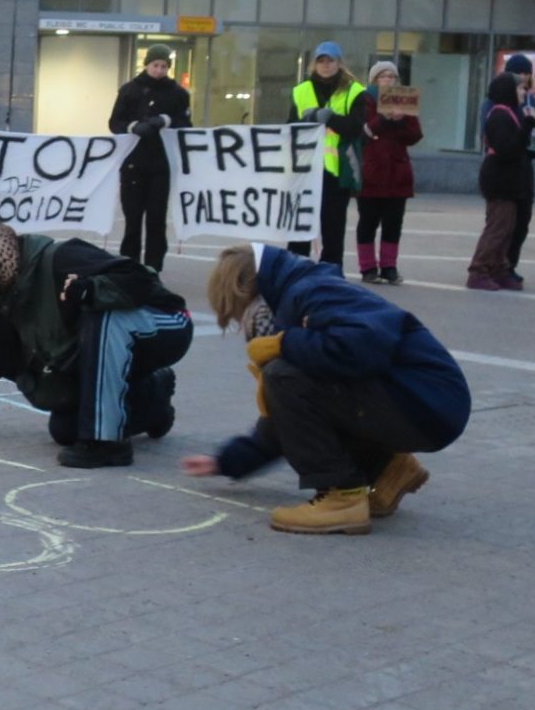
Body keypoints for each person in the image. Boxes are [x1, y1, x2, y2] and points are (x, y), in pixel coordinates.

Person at [181, 244, 471, 536]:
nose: (244, 328)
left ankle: (341, 498)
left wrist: (285, 344)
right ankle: (388, 471)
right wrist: (228, 461)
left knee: (282, 376)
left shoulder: (310, 293)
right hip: (427, 403)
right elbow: (289, 419)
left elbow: (361, 349)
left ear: (245, 292)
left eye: (237, 316)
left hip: (425, 404)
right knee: (290, 381)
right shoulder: (303, 291)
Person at [0, 221, 190, 468]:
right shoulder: (9, 298)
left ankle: (107, 445)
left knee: (103, 317)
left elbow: (139, 279)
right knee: (65, 429)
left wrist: (89, 290)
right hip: (112, 351)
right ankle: (153, 401)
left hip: (163, 324)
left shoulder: (62, 257)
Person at [107, 43, 192, 272]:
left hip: (161, 164)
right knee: (132, 219)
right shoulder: (129, 90)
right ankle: (130, 264)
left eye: (164, 66)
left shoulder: (177, 93)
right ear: (147, 65)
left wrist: (166, 121)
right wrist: (133, 127)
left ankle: (154, 266)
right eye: (155, 65)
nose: (159, 70)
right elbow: (115, 122)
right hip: (133, 163)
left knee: (156, 220)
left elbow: (186, 124)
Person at [285, 41, 367, 271]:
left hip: (337, 169)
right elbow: (290, 128)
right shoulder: (301, 91)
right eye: (321, 61)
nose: (326, 65)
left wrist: (331, 118)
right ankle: (295, 268)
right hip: (305, 168)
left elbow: (356, 128)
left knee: (333, 226)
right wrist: (306, 121)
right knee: (300, 222)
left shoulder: (354, 91)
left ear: (339, 63)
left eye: (330, 61)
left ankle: (331, 269)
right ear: (314, 64)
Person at [465, 74, 535, 291]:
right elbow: (507, 149)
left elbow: (522, 147)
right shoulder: (499, 115)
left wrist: (534, 132)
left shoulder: (512, 113)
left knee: (508, 229)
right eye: (520, 88)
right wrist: (526, 129)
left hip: (511, 179)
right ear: (508, 91)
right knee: (498, 228)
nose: (524, 93)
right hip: (500, 179)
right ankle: (478, 270)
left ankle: (499, 269)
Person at [353, 61, 421, 285]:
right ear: (374, 80)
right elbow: (363, 132)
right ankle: (367, 267)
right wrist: (385, 118)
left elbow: (415, 135)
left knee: (393, 223)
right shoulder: (364, 100)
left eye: (392, 76)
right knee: (368, 221)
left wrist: (401, 120)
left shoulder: (403, 100)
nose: (388, 80)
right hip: (371, 171)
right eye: (383, 76)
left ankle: (389, 267)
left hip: (397, 172)